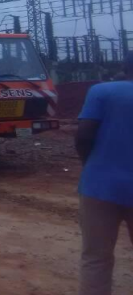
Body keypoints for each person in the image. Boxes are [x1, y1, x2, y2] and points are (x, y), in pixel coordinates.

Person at [76, 52, 133, 295]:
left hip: (99, 186)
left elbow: (84, 135)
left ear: (124, 66)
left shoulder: (102, 92)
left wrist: (92, 166)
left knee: (96, 257)